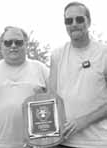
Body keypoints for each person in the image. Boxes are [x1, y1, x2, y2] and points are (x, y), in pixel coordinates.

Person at [49, 2, 107, 148]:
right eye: (68, 21)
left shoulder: (104, 53)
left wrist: (83, 121)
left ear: (89, 21)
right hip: (62, 142)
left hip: (97, 142)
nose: (74, 24)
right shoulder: (57, 55)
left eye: (79, 19)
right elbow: (51, 98)